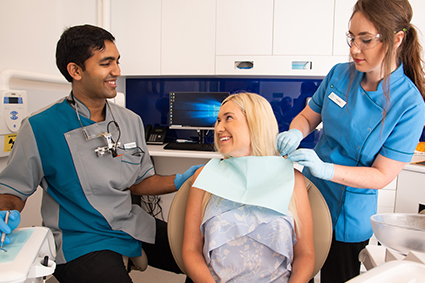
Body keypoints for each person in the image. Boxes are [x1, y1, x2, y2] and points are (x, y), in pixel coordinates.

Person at [0, 24, 199, 283]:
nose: (116, 71)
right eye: (106, 63)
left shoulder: (130, 121)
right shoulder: (39, 127)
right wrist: (5, 211)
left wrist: (180, 180)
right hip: (80, 239)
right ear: (75, 70)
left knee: (210, 257)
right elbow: (12, 192)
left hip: (130, 225)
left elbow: (138, 182)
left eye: (117, 61)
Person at [276, 0, 425, 282]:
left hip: (349, 214)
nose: (354, 49)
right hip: (310, 196)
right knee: (295, 274)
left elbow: (382, 175)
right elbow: (308, 117)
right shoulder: (339, 74)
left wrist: (328, 169)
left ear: (397, 38)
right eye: (352, 38)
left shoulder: (410, 104)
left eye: (365, 40)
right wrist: (296, 132)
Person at [183, 92, 315, 282]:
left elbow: (306, 254)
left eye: (228, 118)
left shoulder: (292, 179)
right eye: (218, 120)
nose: (219, 128)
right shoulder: (205, 177)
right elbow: (190, 250)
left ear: (256, 122)